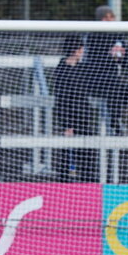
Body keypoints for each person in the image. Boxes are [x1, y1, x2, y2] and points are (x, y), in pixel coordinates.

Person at [85, 5, 128, 136]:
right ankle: (116, 126)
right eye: (105, 17)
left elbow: (126, 64)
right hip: (95, 82)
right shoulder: (92, 35)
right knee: (113, 90)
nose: (109, 20)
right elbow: (93, 61)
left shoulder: (118, 36)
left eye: (111, 17)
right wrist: (109, 54)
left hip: (113, 82)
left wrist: (122, 55)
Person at [51, 34, 96, 181]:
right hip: (70, 117)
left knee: (87, 152)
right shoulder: (62, 69)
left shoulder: (84, 68)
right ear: (76, 50)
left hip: (84, 116)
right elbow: (61, 99)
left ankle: (87, 182)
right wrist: (66, 124)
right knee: (66, 153)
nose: (83, 51)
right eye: (81, 48)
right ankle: (63, 183)